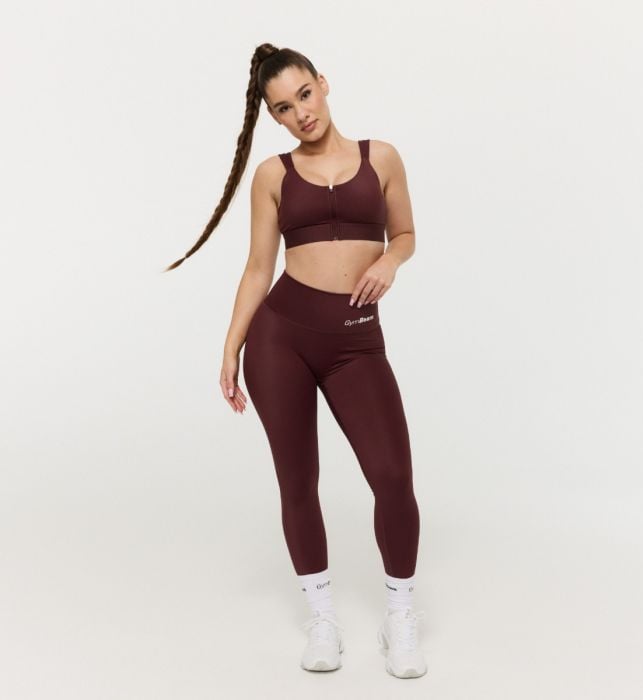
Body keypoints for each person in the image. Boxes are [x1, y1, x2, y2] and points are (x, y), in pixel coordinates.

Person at [164, 43, 427, 679]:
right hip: (280, 340)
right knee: (298, 480)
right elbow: (259, 267)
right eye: (283, 108)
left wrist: (390, 261)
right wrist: (231, 346)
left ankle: (400, 615)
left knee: (392, 475)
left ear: (323, 84)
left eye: (304, 95)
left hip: (356, 342)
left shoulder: (381, 157)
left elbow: (405, 235)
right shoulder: (272, 175)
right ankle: (321, 618)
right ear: (274, 116)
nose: (300, 113)